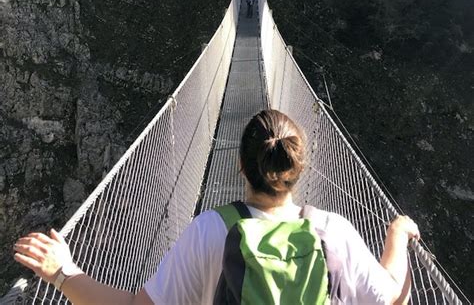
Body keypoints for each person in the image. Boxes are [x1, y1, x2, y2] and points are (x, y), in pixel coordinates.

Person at [13, 109, 420, 304]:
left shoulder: (210, 230)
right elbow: (392, 298)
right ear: (298, 169)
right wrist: (397, 233)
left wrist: (62, 274)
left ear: (241, 166)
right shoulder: (335, 231)